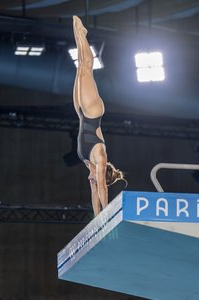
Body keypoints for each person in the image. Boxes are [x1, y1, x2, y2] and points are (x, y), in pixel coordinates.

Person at [72, 16, 125, 216]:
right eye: (95, 180)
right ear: (103, 174)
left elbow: (95, 191)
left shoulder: (88, 163)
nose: (91, 181)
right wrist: (105, 216)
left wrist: (95, 219)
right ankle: (83, 35)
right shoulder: (99, 159)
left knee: (79, 69)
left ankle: (79, 37)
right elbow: (102, 189)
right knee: (86, 68)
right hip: (92, 112)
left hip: (80, 113)